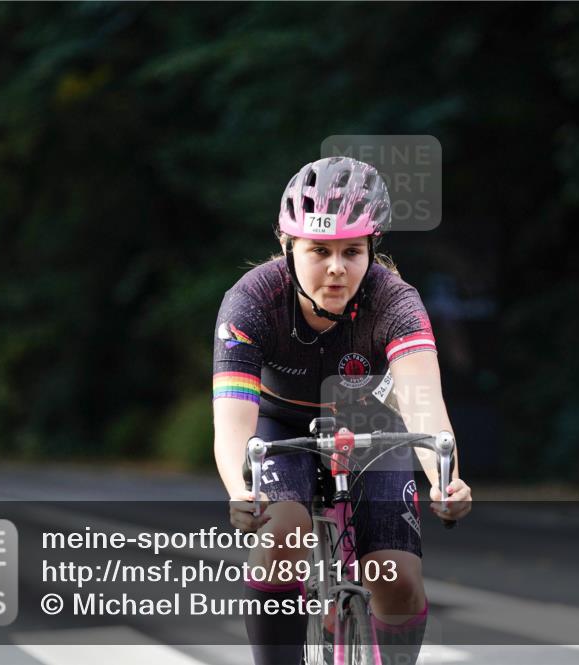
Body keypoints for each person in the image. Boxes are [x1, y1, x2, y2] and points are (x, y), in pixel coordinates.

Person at [212, 156, 472, 665]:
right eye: (319, 251)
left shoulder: (395, 301)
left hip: (372, 426)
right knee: (282, 534)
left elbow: (423, 404)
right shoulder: (251, 300)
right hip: (279, 426)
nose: (336, 267)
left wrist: (446, 477)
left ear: (372, 249)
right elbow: (233, 423)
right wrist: (238, 489)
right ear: (289, 248)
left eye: (352, 251)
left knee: (397, 577)